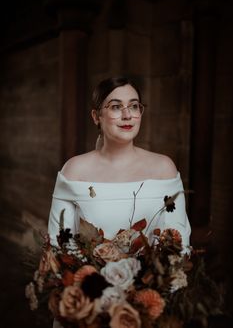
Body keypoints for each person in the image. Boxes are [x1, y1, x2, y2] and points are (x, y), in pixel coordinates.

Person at [48, 76, 191, 328]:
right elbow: (59, 245)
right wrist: (92, 302)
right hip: (91, 302)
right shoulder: (74, 171)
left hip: (149, 303)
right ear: (96, 116)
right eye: (115, 106)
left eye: (134, 106)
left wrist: (148, 295)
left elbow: (177, 241)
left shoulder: (163, 168)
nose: (127, 115)